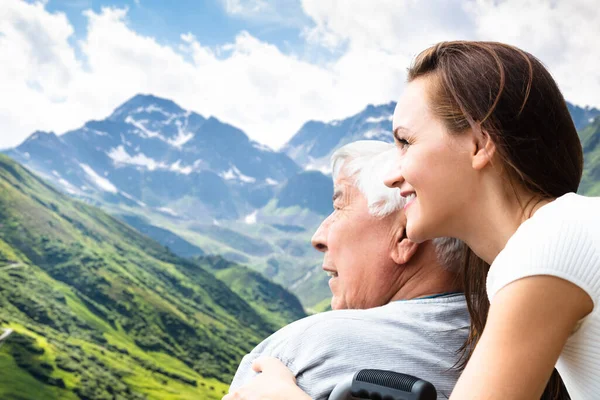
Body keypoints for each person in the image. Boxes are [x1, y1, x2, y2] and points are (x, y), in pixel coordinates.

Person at [223, 41, 600, 400]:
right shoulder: (552, 241)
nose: (392, 174)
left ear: (479, 143)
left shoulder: (549, 242)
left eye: (405, 142)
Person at [225, 141, 469, 400]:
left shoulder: (303, 353)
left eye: (339, 208)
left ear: (405, 237)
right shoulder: (499, 334)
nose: (318, 237)